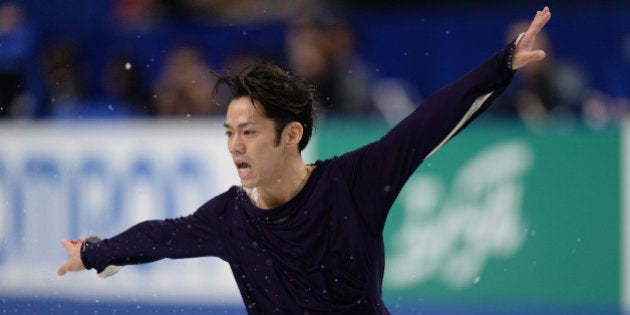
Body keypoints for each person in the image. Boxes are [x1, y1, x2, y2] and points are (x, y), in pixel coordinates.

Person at [58, 7, 552, 314]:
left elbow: (428, 123)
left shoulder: (354, 182)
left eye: (248, 133)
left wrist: (503, 63)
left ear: (291, 135)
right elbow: (158, 237)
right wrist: (93, 254)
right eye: (229, 132)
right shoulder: (230, 218)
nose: (234, 146)